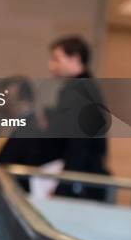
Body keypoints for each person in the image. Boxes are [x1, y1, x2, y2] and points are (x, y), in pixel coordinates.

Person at [46, 35, 110, 201]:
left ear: (75, 58)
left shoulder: (81, 93)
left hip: (81, 185)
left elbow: (79, 144)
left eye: (56, 59)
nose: (51, 65)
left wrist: (64, 187)